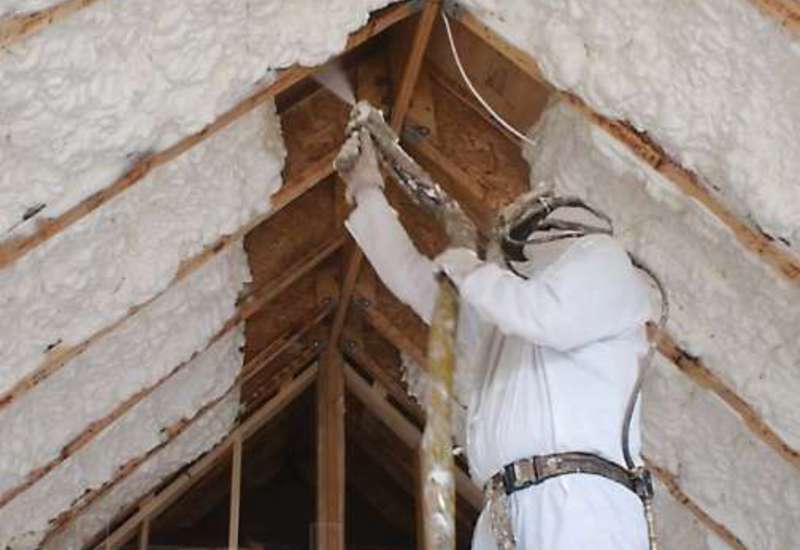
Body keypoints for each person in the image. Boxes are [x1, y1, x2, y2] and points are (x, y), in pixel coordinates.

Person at [338, 129, 653, 549]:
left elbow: (545, 317)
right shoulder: (508, 320)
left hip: (576, 502)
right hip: (507, 510)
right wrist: (367, 191)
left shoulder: (602, 260)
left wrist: (469, 270)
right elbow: (418, 284)